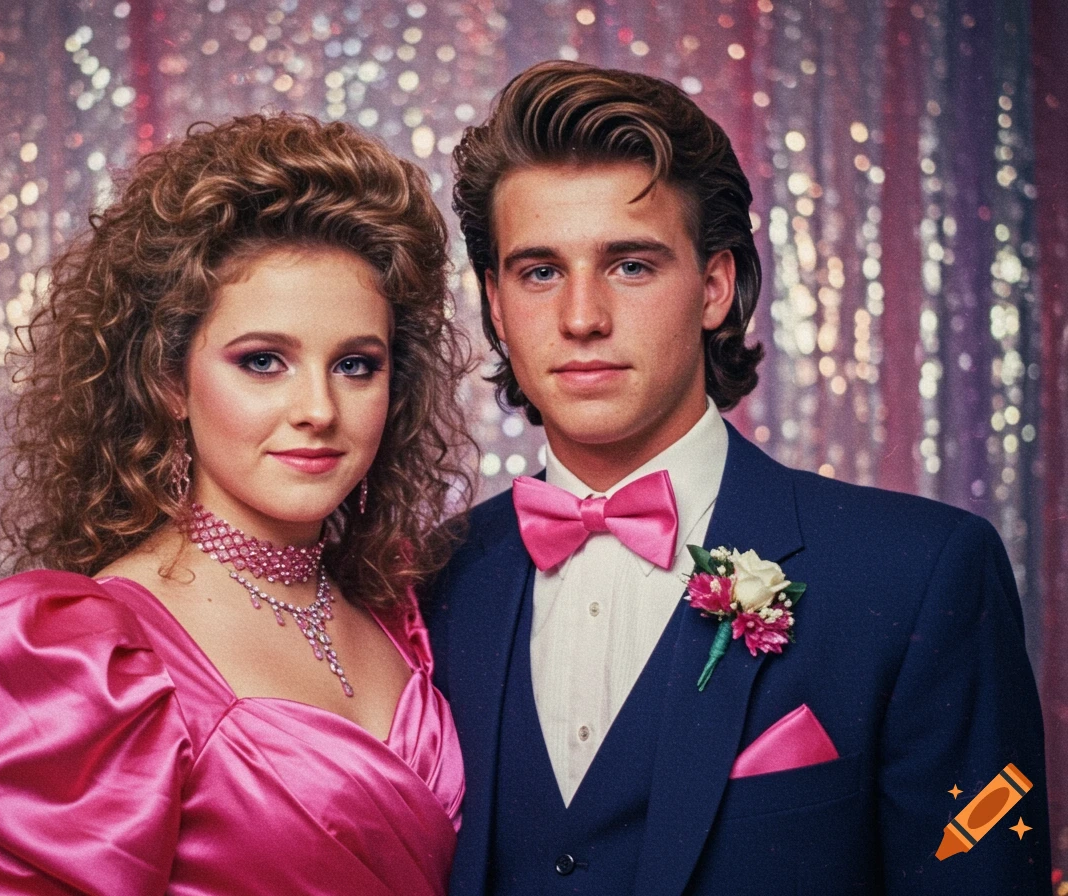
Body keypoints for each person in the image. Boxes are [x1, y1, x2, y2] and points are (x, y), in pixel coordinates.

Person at [427, 60, 1050, 895]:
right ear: (497, 307)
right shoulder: (427, 582)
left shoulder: (922, 574)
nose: (581, 317)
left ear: (715, 286)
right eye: (540, 271)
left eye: (631, 265)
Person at [0, 113, 475, 896]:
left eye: (356, 365)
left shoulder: (406, 611)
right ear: (169, 382)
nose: (318, 409)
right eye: (263, 361)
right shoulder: (84, 663)